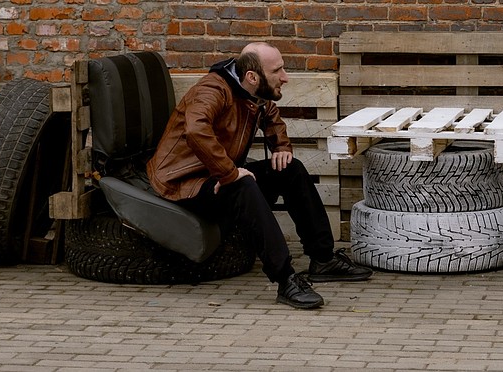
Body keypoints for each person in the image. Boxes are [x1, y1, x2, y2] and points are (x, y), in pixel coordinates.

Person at [147, 41, 372, 309]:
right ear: (252, 77)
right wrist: (229, 174)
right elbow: (196, 131)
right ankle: (285, 279)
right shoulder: (211, 91)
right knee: (243, 185)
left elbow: (270, 114)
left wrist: (281, 147)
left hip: (217, 173)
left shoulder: (253, 90)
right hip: (185, 184)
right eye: (278, 71)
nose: (285, 77)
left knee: (290, 169)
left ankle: (322, 259)